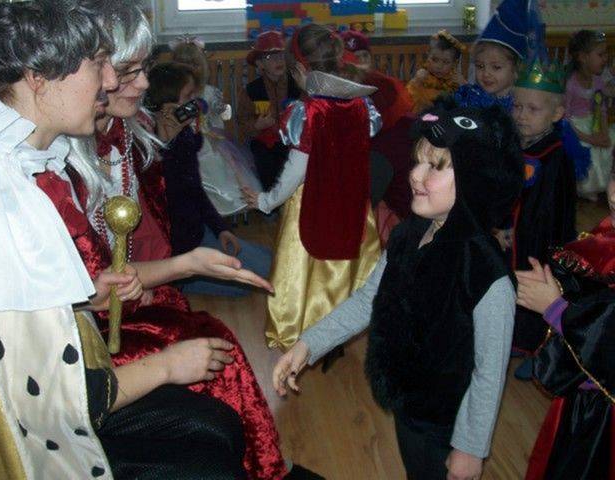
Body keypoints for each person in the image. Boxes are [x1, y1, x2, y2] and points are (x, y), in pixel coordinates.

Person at [0, 1, 247, 478]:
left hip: (77, 386)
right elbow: (45, 406)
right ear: (38, 77)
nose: (108, 83)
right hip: (38, 441)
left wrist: (83, 300)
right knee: (209, 459)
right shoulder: (2, 199)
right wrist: (166, 367)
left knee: (218, 427)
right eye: (98, 64)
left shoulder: (28, 162)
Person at [34, 7, 300, 479]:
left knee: (227, 335)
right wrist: (185, 265)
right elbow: (92, 291)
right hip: (91, 339)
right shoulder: (54, 167)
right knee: (218, 359)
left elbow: (173, 207)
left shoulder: (125, 134)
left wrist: (191, 257)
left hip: (146, 287)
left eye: (142, 70)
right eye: (126, 70)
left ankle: (264, 465)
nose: (139, 83)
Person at [273, 100, 523, 480]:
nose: (415, 176)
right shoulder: (408, 234)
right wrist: (308, 344)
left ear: (474, 179)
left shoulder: (488, 276)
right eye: (417, 161)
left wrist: (470, 447)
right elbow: (368, 301)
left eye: (435, 167)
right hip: (408, 402)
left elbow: (489, 371)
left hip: (448, 421)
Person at [242, 24, 382, 350]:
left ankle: (301, 331)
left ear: (300, 70)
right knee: (344, 269)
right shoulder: (361, 106)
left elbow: (296, 171)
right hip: (352, 201)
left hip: (312, 202)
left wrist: (266, 200)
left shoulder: (308, 113)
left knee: (303, 270)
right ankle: (341, 326)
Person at [146, 61, 273, 297]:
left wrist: (220, 229)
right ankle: (181, 282)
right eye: (188, 97)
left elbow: (196, 190)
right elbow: (162, 210)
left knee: (269, 263)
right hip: (176, 250)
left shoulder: (185, 138)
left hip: (199, 233)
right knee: (243, 286)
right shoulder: (149, 152)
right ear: (166, 108)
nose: (195, 103)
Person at [516, 193, 615, 478]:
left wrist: (556, 309)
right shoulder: (604, 238)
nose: (614, 194)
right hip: (586, 405)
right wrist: (560, 293)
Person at [508, 58, 578, 380]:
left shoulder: (556, 156)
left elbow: (554, 210)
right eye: (517, 106)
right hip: (514, 237)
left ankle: (540, 350)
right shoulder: (516, 145)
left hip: (541, 242)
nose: (521, 115)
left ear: (557, 113)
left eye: (532, 109)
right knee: (514, 287)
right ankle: (516, 338)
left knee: (538, 290)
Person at [171, 37, 262, 216]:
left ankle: (220, 207)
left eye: (194, 65)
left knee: (217, 164)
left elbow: (221, 117)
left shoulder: (209, 92)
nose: (189, 70)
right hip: (182, 140)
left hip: (207, 139)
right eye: (183, 66)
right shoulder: (173, 94)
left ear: (201, 67)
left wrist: (221, 113)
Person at [341, 30, 416, 229]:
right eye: (352, 59)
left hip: (404, 216)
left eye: (363, 57)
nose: (359, 64)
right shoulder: (379, 89)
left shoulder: (381, 90)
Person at [237, 31, 300, 191]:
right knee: (265, 162)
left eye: (280, 55)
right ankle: (271, 199)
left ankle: (293, 198)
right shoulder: (252, 90)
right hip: (266, 142)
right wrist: (257, 125)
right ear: (260, 64)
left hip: (293, 140)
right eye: (270, 57)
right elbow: (243, 120)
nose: (278, 60)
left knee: (296, 165)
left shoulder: (297, 85)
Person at [565, 30, 615, 201]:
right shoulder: (571, 84)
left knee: (609, 141)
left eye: (606, 54)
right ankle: (585, 188)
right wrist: (591, 139)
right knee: (587, 147)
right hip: (575, 127)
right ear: (583, 57)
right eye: (600, 54)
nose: (605, 58)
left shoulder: (597, 81)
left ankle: (603, 185)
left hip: (593, 122)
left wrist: (604, 133)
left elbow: (600, 109)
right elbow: (565, 119)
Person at [454, 0, 525, 111]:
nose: (486, 74)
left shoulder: (520, 105)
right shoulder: (471, 96)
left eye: (496, 67)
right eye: (480, 66)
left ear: (516, 69)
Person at [407, 29, 467, 113]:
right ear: (428, 56)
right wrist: (416, 81)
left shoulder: (455, 80)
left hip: (448, 117)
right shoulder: (423, 76)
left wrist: (464, 85)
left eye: (446, 62)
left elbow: (467, 104)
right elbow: (409, 97)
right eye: (434, 59)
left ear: (454, 63)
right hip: (424, 115)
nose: (439, 66)